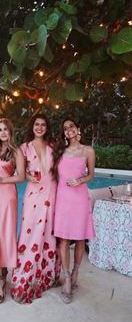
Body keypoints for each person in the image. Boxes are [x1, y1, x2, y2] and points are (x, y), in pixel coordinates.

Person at [11, 113, 61, 304]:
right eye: (37, 124)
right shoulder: (23, 148)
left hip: (52, 193)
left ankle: (46, 276)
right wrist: (28, 176)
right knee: (29, 234)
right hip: (33, 195)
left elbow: (59, 170)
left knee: (49, 234)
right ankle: (24, 278)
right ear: (32, 126)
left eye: (43, 125)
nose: (39, 127)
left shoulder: (53, 147)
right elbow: (19, 173)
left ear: (47, 128)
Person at [52, 118, 95, 304]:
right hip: (62, 200)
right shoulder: (60, 152)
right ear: (64, 133)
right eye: (65, 128)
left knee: (79, 238)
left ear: (78, 129)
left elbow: (91, 175)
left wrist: (80, 180)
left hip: (79, 199)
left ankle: (76, 271)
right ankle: (67, 277)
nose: (68, 130)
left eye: (71, 126)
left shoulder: (88, 151)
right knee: (63, 239)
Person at [0, 118, 25, 304]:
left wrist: (2, 180)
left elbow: (21, 177)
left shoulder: (16, 151)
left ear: (10, 132)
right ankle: (0, 272)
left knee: (5, 235)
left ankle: (1, 283)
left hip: (7, 196)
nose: (2, 133)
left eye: (5, 130)